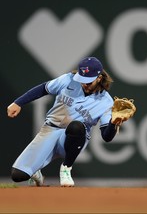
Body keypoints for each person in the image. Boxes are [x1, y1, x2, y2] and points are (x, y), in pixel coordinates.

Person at [7, 56, 120, 187]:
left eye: (88, 81)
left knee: (76, 126)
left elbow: (106, 137)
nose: (84, 84)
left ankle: (66, 168)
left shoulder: (106, 102)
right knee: (17, 175)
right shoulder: (68, 80)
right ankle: (36, 172)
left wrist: (114, 123)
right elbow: (44, 89)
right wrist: (18, 102)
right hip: (50, 130)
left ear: (99, 78)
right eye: (81, 79)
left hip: (72, 139)